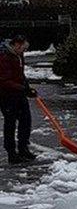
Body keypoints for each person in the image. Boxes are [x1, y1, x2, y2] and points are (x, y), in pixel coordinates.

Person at [0, 35, 37, 164]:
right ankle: (11, 153)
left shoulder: (18, 56)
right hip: (6, 96)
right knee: (10, 124)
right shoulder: (4, 57)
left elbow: (20, 74)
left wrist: (27, 87)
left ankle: (23, 148)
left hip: (19, 94)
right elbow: (3, 80)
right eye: (23, 48)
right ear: (16, 45)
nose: (24, 51)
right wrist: (22, 88)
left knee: (26, 121)